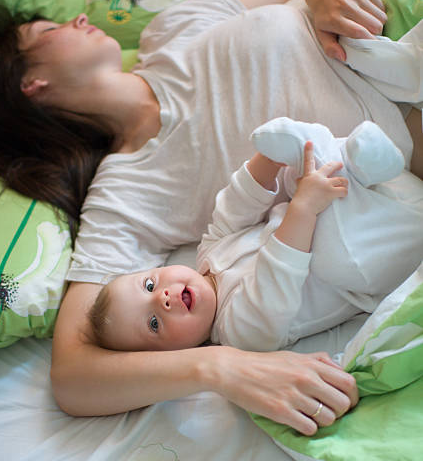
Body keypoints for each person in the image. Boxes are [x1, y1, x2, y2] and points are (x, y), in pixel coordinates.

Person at [0, 0, 423, 436]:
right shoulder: (125, 192)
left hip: (390, 36)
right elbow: (73, 377)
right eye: (48, 29)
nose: (79, 16)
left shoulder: (169, 30)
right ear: (31, 84)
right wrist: (222, 369)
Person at [87, 118, 423, 358]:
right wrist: (303, 207)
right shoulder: (240, 335)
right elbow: (280, 271)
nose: (162, 298)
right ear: (174, 354)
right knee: (332, 257)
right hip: (379, 258)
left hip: (378, 204)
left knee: (295, 176)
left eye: (149, 285)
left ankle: (356, 158)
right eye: (154, 323)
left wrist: (268, 161)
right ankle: (351, 159)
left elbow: (234, 208)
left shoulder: (207, 256)